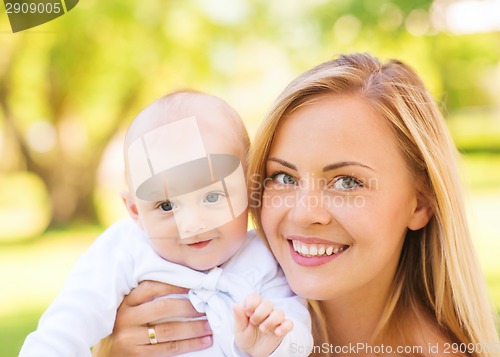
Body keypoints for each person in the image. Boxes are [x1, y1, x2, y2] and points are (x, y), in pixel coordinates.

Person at [93, 53, 500, 357]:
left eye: (346, 182)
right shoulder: (191, 298)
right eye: (283, 177)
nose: (305, 213)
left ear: (421, 204)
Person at [20, 91, 313, 357]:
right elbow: (66, 326)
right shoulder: (124, 250)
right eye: (166, 205)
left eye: (212, 196)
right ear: (135, 211)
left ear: (249, 189)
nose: (193, 223)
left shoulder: (263, 257)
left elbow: (299, 335)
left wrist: (273, 344)